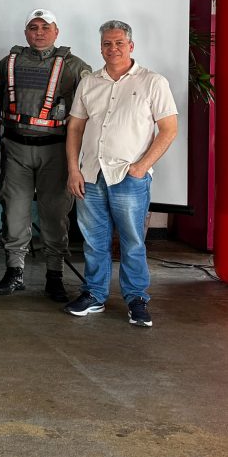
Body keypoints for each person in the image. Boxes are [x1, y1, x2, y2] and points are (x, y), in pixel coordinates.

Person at [64, 21, 178, 327]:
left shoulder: (153, 82)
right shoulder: (89, 82)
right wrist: (74, 169)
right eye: (106, 43)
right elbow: (75, 128)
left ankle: (136, 298)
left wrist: (141, 167)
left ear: (131, 46)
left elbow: (169, 128)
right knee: (94, 241)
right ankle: (94, 294)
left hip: (129, 176)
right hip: (91, 175)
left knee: (132, 242)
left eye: (118, 43)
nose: (112, 48)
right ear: (100, 47)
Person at [0, 9, 91, 302]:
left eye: (45, 27)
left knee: (55, 214)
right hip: (16, 149)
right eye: (33, 27)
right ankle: (15, 272)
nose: (39, 32)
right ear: (25, 32)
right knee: (14, 212)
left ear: (56, 32)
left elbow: (92, 106)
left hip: (56, 151)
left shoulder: (74, 67)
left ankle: (54, 275)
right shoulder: (8, 63)